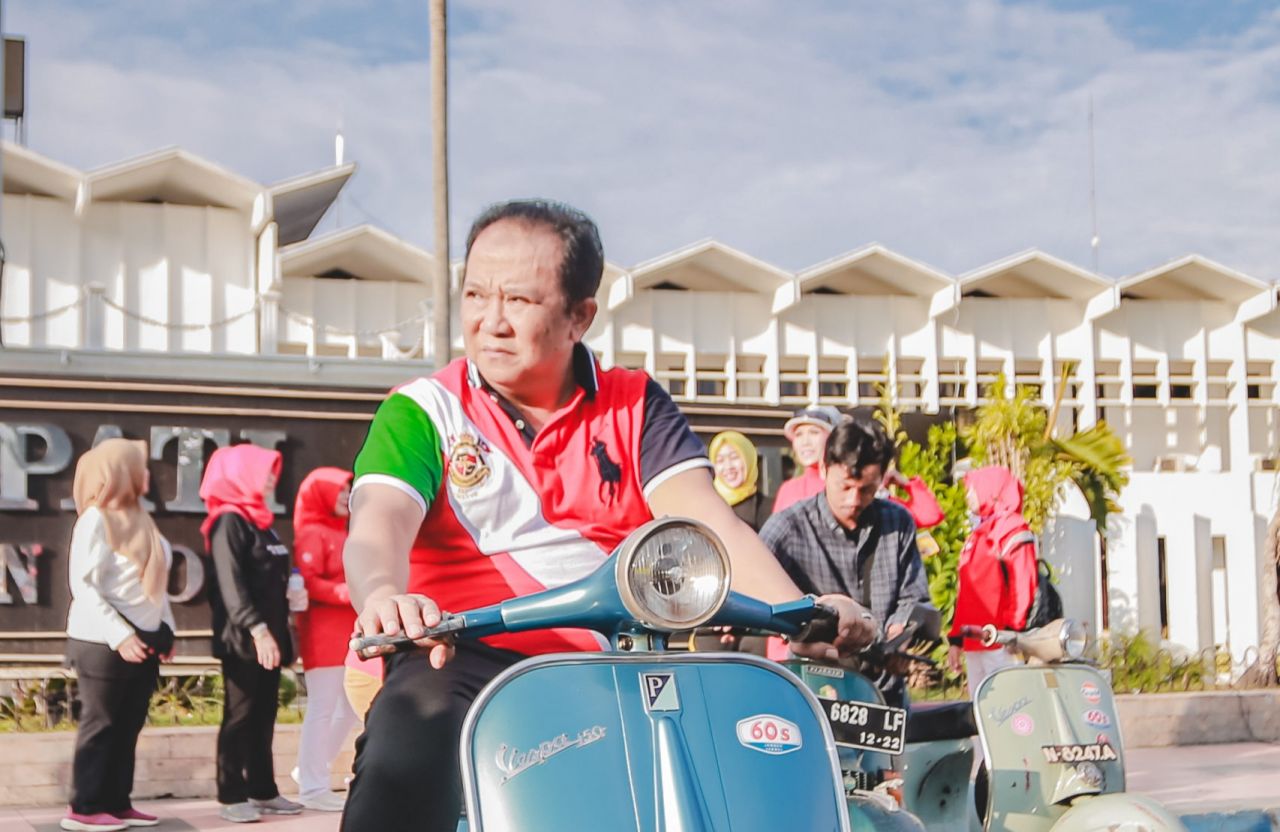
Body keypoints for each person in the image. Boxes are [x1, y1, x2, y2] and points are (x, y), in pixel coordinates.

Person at [338, 199, 877, 832]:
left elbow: (711, 527)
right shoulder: (422, 410)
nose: (491, 321)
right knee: (409, 742)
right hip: (458, 654)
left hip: (618, 659)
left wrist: (803, 613)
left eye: (518, 300)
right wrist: (383, 595)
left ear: (579, 316)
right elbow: (379, 521)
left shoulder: (635, 403)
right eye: (476, 294)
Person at [759, 418, 932, 707]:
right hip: (814, 687)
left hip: (884, 691)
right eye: (845, 487)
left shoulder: (897, 522)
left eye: (867, 489)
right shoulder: (788, 527)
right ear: (824, 470)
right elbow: (752, 582)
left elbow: (914, 594)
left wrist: (901, 633)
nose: (854, 500)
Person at [62, 439, 173, 832]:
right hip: (102, 643)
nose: (148, 475)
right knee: (103, 723)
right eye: (139, 467)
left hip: (142, 641)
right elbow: (84, 585)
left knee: (129, 725)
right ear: (120, 471)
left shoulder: (142, 518)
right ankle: (85, 807)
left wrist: (166, 631)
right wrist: (119, 635)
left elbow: (154, 584)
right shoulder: (95, 519)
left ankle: (116, 803)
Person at [201, 444, 304, 824]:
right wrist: (257, 629)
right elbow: (231, 584)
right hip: (245, 637)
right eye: (264, 470)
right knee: (240, 714)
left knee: (264, 713)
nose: (272, 478)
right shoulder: (229, 520)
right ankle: (231, 793)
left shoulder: (259, 520)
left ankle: (262, 790)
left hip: (270, 635)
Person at [290, 468, 360, 812]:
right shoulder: (311, 533)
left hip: (350, 632)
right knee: (323, 707)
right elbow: (308, 581)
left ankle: (309, 771)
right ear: (320, 495)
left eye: (349, 491)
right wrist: (346, 591)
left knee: (347, 709)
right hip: (323, 632)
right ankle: (312, 787)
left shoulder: (344, 532)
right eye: (340, 492)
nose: (347, 498)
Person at [947, 465, 1038, 697]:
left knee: (1009, 708)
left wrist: (1011, 632)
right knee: (981, 712)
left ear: (990, 490)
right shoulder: (977, 533)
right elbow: (966, 593)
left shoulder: (1012, 529)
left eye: (972, 489)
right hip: (975, 640)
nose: (968, 496)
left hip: (1000, 641)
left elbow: (1023, 583)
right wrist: (956, 640)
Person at [772, 405, 844, 513]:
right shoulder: (788, 489)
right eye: (798, 434)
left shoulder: (847, 486)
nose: (805, 442)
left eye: (814, 432)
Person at [709, 431, 773, 531]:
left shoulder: (769, 507)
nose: (728, 466)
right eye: (720, 460)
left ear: (748, 459)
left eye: (734, 457)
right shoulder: (708, 506)